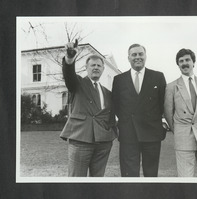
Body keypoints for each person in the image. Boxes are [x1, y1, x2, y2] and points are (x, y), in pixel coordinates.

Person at [60, 40, 117, 177]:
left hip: (103, 143)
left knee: (97, 181)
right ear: (86, 67)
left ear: (103, 69)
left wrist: (111, 133)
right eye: (92, 65)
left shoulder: (107, 93)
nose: (96, 68)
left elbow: (110, 116)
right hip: (80, 140)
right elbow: (69, 74)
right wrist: (69, 58)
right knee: (76, 180)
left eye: (99, 65)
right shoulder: (77, 83)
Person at [112, 44, 166, 177]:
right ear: (128, 58)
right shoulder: (119, 80)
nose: (137, 57)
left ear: (145, 56)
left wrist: (163, 123)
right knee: (129, 175)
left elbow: (163, 103)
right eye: (134, 54)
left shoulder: (158, 77)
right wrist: (124, 123)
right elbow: (116, 105)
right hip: (128, 134)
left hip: (152, 133)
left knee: (151, 174)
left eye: (140, 54)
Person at [164, 48, 197, 177]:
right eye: (181, 61)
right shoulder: (171, 87)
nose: (184, 63)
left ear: (193, 62)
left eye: (187, 60)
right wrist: (179, 129)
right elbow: (168, 113)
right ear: (178, 65)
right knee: (186, 178)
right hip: (183, 137)